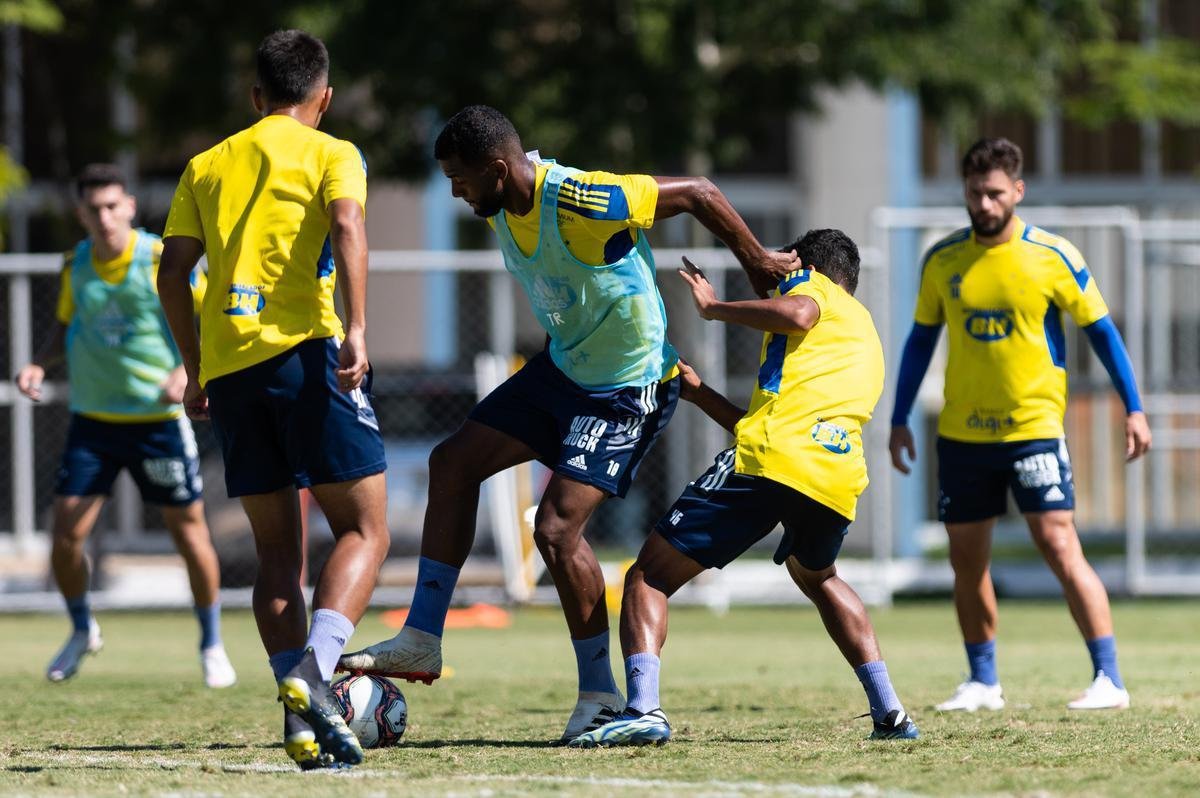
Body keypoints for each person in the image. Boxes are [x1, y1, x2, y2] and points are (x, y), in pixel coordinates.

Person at [339, 104, 797, 743]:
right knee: (453, 462)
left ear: (499, 170)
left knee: (555, 530)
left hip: (626, 386)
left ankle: (601, 697)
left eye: (461, 179)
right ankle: (422, 637)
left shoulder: (583, 199)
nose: (455, 192)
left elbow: (698, 192)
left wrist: (753, 258)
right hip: (564, 371)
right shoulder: (502, 203)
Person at [570, 229, 918, 747]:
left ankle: (643, 708)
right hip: (836, 473)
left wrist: (713, 308)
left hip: (771, 462)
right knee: (821, 578)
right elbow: (757, 422)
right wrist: (698, 393)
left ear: (804, 267)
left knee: (647, 578)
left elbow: (798, 312)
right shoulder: (859, 329)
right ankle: (891, 713)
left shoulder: (812, 293)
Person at [158, 30, 389, 769]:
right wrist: (356, 328)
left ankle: (301, 714)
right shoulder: (333, 153)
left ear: (256, 97)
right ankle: (315, 680)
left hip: (231, 374)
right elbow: (348, 225)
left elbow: (171, 273)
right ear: (323, 97)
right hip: (306, 357)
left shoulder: (206, 163)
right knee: (365, 530)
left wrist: (195, 368)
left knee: (274, 554)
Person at [888, 137, 1152, 712]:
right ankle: (983, 682)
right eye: (974, 192)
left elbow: (1102, 334)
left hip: (1033, 428)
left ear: (1018, 192)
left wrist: (1132, 406)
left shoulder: (1053, 256)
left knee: (1058, 543)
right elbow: (919, 341)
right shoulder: (942, 260)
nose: (983, 203)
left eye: (994, 193)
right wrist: (900, 415)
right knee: (967, 561)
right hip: (961, 435)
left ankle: (1109, 678)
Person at [15, 163, 235, 690]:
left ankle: (211, 641)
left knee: (189, 534)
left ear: (130, 207)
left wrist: (188, 369)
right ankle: (81, 628)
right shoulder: (76, 264)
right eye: (94, 209)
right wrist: (40, 364)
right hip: (92, 423)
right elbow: (66, 325)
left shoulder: (159, 257)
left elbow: (214, 314)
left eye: (113, 205)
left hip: (157, 424)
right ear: (81, 214)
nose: (104, 216)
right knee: (65, 534)